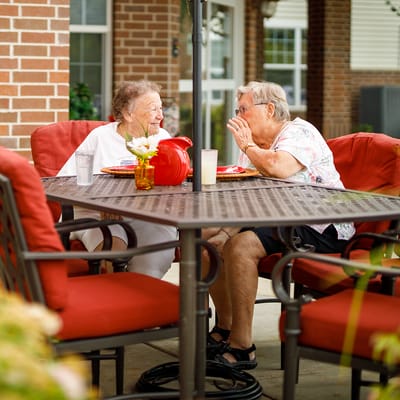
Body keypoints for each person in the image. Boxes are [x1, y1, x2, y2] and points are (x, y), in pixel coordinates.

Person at [205, 81, 356, 370]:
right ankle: (224, 327)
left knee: (240, 247)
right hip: (279, 220)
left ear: (270, 109)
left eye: (244, 109)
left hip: (321, 224)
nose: (237, 116)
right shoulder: (253, 147)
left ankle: (242, 347)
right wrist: (221, 232)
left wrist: (247, 145)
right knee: (205, 243)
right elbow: (244, 198)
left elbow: (280, 167)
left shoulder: (300, 132)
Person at [58, 80, 177, 278]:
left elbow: (176, 183)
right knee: (113, 248)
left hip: (148, 217)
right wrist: (101, 205)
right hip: (96, 215)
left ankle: (140, 305)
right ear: (128, 113)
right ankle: (113, 298)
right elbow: (65, 182)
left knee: (149, 268)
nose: (160, 116)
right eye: (153, 109)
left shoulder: (163, 138)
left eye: (161, 108)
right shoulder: (100, 137)